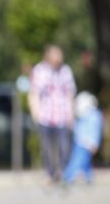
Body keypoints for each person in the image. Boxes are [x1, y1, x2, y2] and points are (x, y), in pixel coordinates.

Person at [28, 45, 76, 183]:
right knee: (47, 147)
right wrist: (35, 112)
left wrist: (71, 114)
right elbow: (34, 92)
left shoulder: (65, 71)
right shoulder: (39, 70)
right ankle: (49, 172)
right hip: (45, 115)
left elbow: (70, 93)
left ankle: (63, 172)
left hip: (63, 115)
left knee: (64, 146)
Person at [62, 91, 103, 185]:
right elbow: (77, 129)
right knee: (85, 162)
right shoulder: (82, 116)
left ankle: (69, 176)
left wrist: (94, 143)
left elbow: (95, 131)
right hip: (79, 142)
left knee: (77, 161)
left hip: (87, 143)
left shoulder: (94, 116)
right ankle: (89, 177)